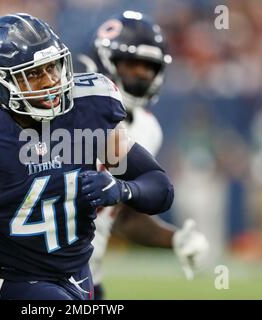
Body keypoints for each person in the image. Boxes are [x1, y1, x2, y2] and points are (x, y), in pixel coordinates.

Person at [0, 13, 174, 300]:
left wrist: (123, 190)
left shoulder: (88, 110)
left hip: (78, 275)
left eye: (53, 67)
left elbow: (159, 187)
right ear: (2, 80)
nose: (51, 81)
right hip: (12, 282)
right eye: (35, 73)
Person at [75, 11, 209, 299]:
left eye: (148, 67)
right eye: (131, 64)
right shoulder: (65, 114)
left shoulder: (148, 129)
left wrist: (175, 239)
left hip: (89, 281)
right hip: (36, 275)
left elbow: (124, 216)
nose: (141, 74)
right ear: (103, 60)